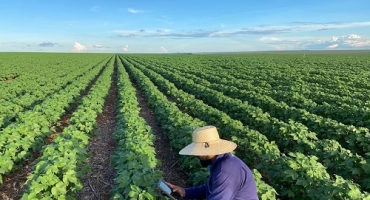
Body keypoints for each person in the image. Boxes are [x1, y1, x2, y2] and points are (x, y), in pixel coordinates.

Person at [166, 125, 258, 200]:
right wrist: (185, 192)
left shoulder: (225, 171)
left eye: (198, 152)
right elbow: (210, 189)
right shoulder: (221, 162)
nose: (196, 155)